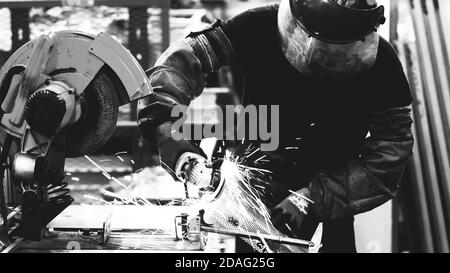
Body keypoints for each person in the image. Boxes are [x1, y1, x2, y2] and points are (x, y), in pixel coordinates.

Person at [137, 0, 414, 252]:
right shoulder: (257, 26)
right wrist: (165, 128)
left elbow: (391, 152)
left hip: (331, 198)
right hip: (252, 191)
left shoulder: (382, 64)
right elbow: (182, 61)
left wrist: (314, 198)